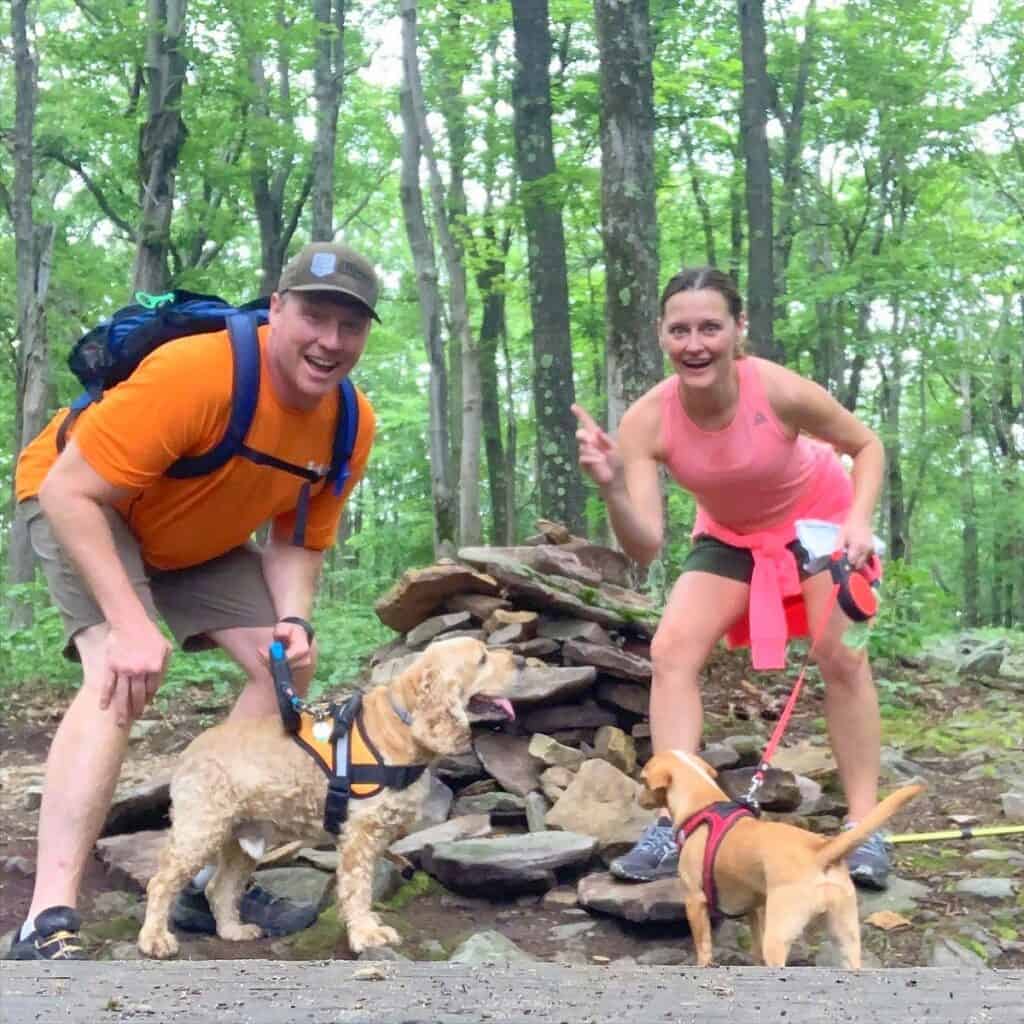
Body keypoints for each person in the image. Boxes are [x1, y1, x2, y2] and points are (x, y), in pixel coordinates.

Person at [7, 242, 380, 960]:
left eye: (351, 327)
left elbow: (299, 539)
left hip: (193, 537)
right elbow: (68, 492)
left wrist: (295, 619)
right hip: (85, 502)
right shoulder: (198, 374)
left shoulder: (348, 425)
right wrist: (129, 622)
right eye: (313, 316)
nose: (330, 342)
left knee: (287, 667)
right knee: (121, 673)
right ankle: (46, 919)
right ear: (276, 309)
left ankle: (208, 882)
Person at [572, 266, 891, 890]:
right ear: (662, 335)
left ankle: (864, 825)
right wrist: (611, 488)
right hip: (732, 537)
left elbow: (867, 444)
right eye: (680, 329)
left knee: (843, 660)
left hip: (821, 524)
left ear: (737, 330)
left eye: (711, 327)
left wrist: (858, 520)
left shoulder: (775, 389)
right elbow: (645, 545)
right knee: (670, 652)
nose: (696, 343)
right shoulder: (648, 422)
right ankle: (680, 824)